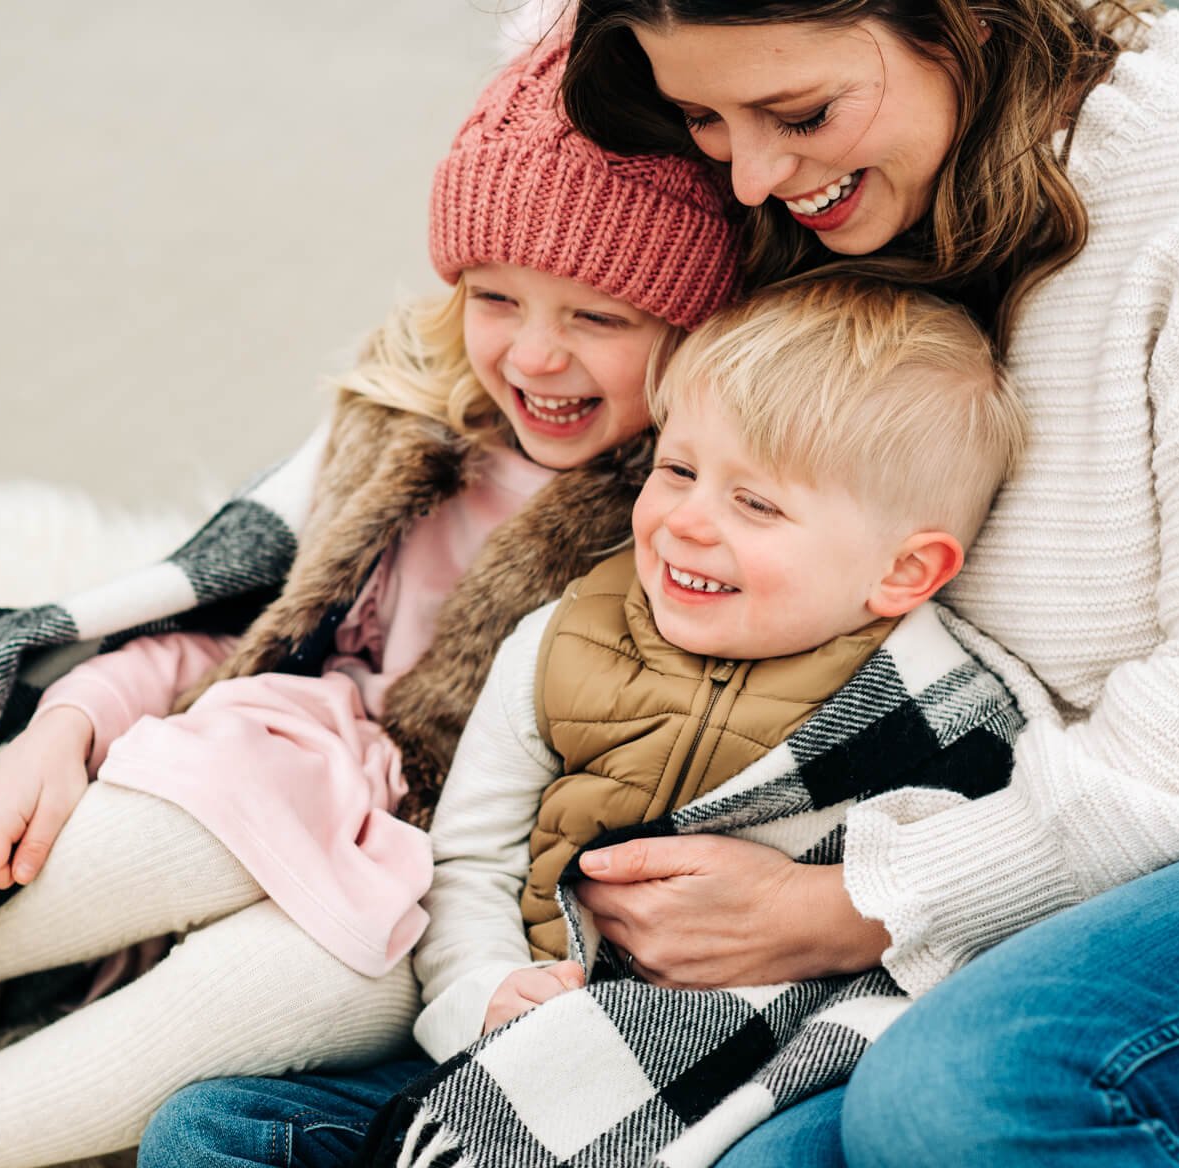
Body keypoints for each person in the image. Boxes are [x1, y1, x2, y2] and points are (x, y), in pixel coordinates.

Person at [147, 1, 1179, 1165]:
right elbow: (454, 390)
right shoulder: (792, 159)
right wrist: (155, 649)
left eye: (796, 116)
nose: (748, 177)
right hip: (926, 859)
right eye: (706, 122)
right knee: (235, 1132)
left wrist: (859, 903)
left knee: (959, 1102)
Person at [0, 37, 738, 1168]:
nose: (536, 353)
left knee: (316, 974)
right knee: (256, 760)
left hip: (439, 894)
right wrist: (66, 724)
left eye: (599, 318)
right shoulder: (413, 428)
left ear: (692, 330)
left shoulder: (687, 520)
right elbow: (221, 630)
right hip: (255, 782)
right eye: (495, 297)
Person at [141, 276, 1030, 1168]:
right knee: (210, 1130)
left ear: (904, 573)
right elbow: (471, 860)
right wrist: (486, 997)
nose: (686, 521)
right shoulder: (561, 638)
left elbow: (961, 924)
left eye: (755, 504)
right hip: (520, 1051)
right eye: (678, 470)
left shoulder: (949, 712)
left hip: (744, 1075)